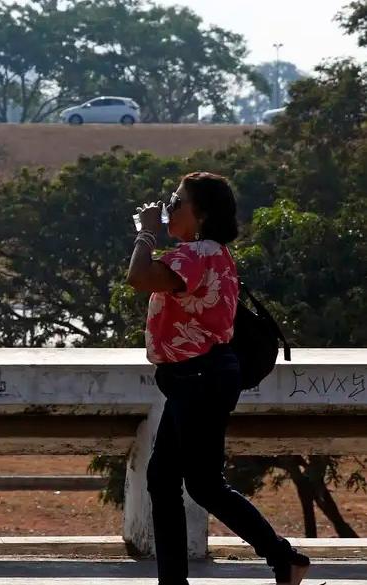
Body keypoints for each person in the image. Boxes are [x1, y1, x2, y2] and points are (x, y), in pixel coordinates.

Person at [126, 172, 311, 585]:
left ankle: (285, 558)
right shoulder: (209, 253)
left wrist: (147, 234)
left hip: (199, 379)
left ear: (202, 214)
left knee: (205, 485)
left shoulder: (197, 254)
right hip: (194, 378)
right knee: (163, 479)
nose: (169, 208)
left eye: (177, 203)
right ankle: (173, 579)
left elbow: (139, 278)